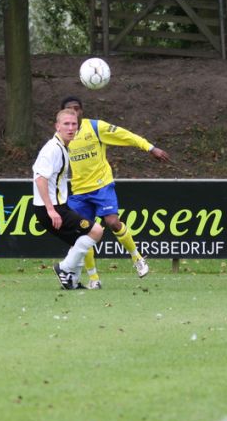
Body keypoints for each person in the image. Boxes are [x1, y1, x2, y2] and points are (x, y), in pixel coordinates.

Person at [61, 96, 170, 289]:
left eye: (77, 108)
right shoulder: (62, 137)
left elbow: (125, 135)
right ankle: (94, 279)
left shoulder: (95, 127)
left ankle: (137, 257)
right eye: (70, 109)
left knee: (112, 222)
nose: (74, 112)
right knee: (82, 235)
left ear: (82, 111)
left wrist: (150, 148)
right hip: (79, 192)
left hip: (102, 186)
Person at [32, 108, 104, 290]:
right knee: (96, 231)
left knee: (79, 240)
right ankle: (64, 268)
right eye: (66, 124)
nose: (71, 128)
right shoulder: (52, 149)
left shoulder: (62, 147)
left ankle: (71, 281)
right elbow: (40, 179)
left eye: (74, 124)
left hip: (58, 206)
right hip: (51, 208)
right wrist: (50, 210)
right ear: (57, 126)